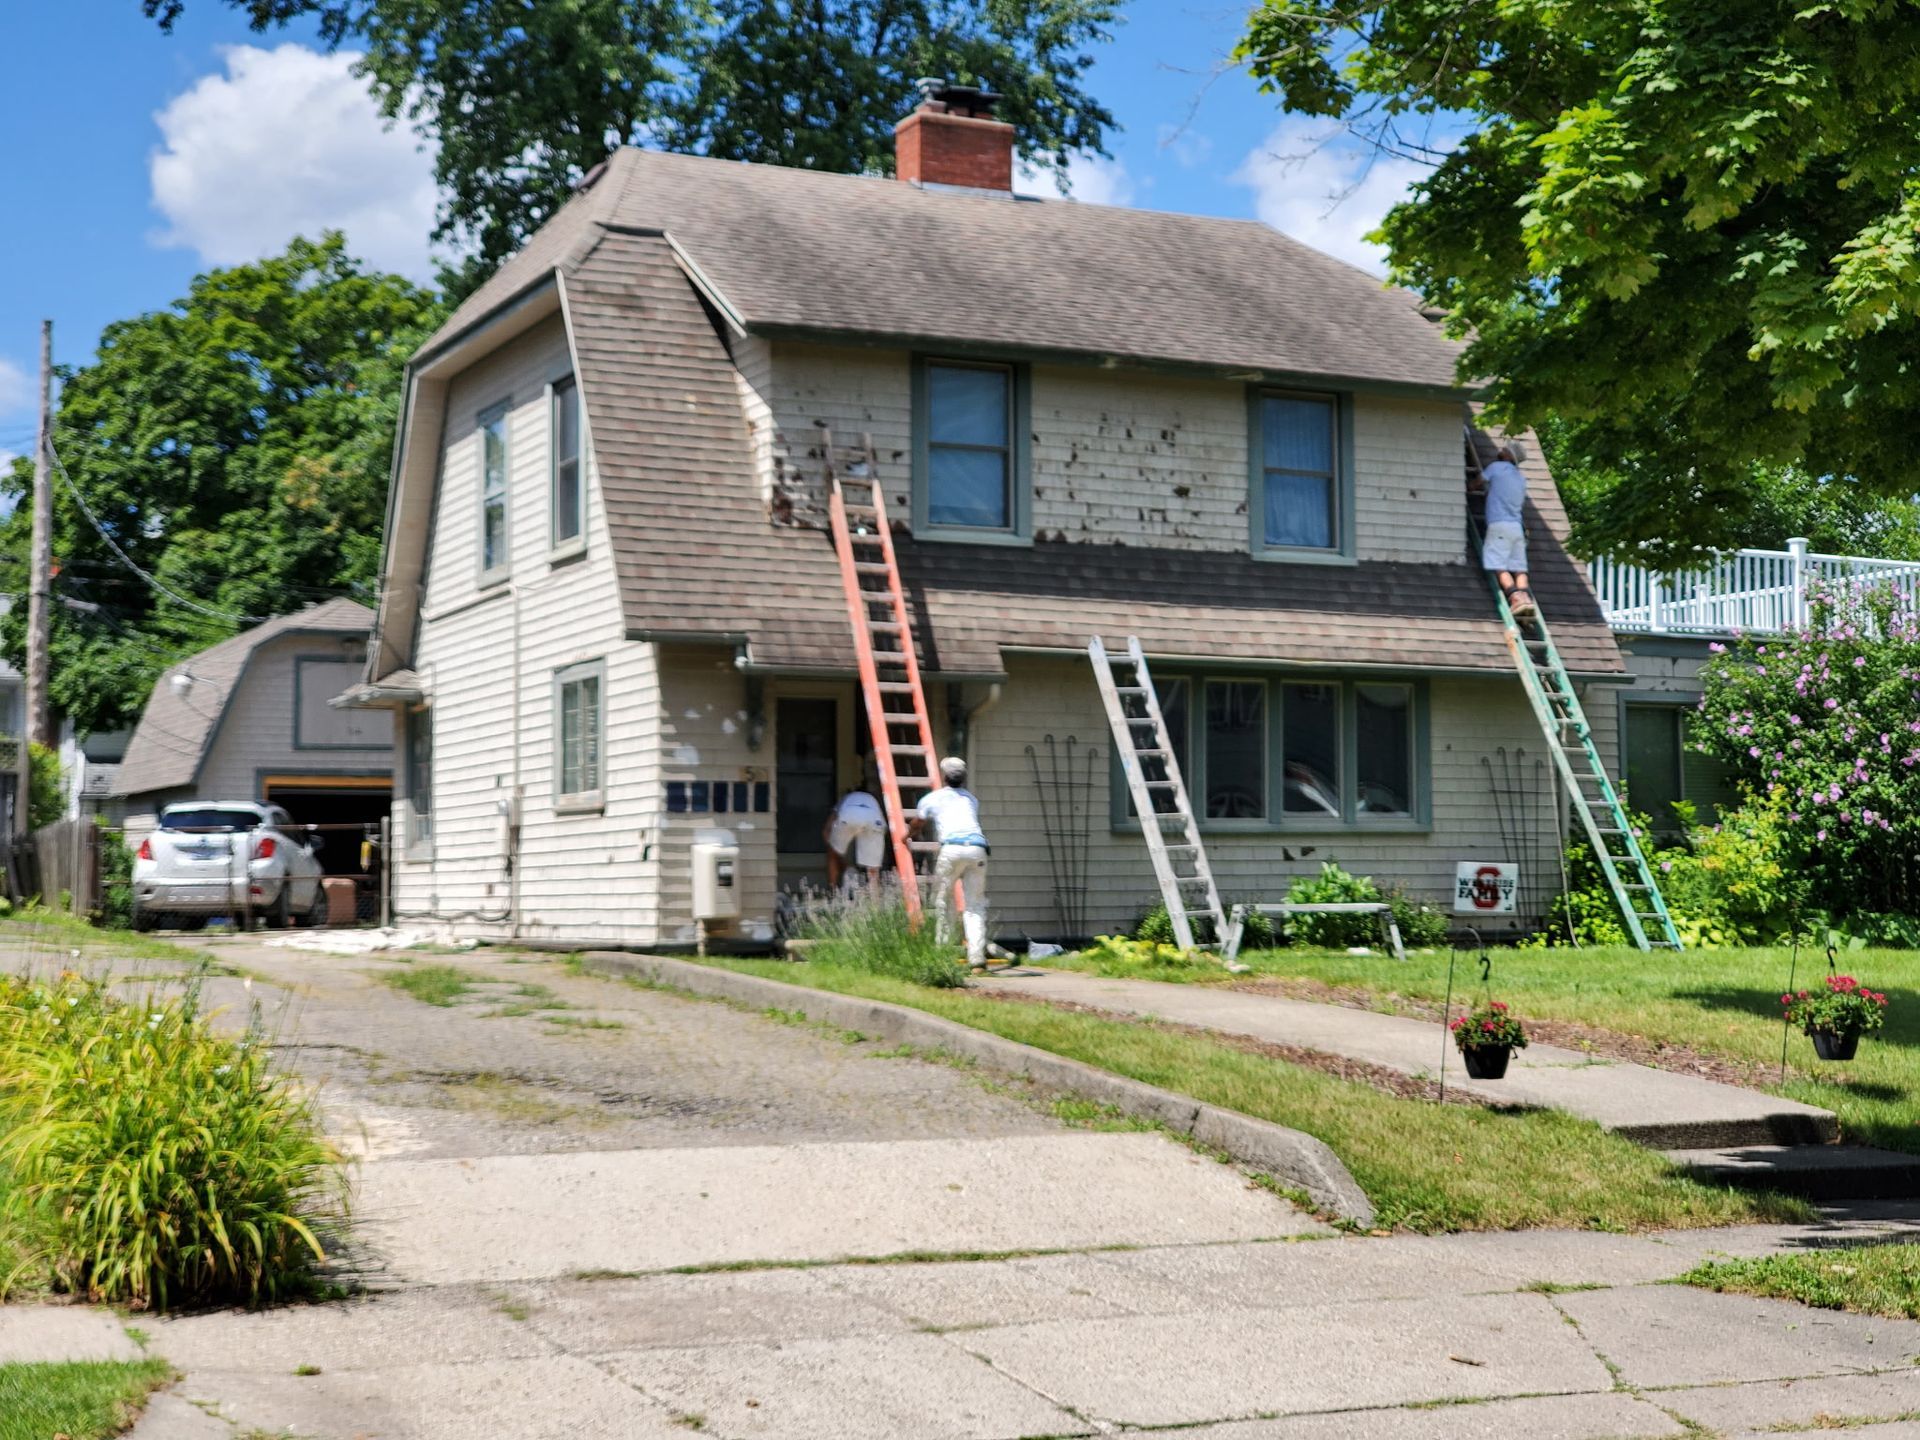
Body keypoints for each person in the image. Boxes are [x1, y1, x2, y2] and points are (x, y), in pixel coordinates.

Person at [910, 756, 990, 969]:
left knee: (944, 900)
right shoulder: (971, 799)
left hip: (952, 848)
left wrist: (907, 834)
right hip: (978, 849)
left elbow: (918, 822)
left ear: (944, 777)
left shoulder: (932, 798)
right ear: (963, 778)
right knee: (975, 905)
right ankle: (977, 959)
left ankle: (942, 954)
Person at [1479, 445, 1536, 618]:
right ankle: (1526, 598)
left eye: (1505, 448)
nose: (1501, 449)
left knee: (1498, 565)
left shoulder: (1496, 468)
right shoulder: (1520, 478)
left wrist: (1469, 487)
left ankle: (1515, 598)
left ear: (1509, 456)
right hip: (1516, 527)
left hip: (1500, 524)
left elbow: (1478, 481)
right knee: (1519, 568)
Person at [824, 779, 887, 894]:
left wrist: (833, 848)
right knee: (873, 867)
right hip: (874, 820)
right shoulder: (873, 801)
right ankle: (875, 902)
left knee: (832, 854)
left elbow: (828, 826)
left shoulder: (847, 798)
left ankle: (832, 892)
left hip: (849, 815)